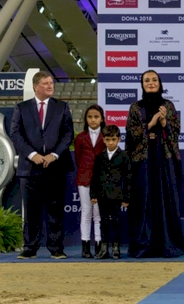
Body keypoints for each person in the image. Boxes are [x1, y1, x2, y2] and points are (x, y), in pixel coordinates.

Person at [10, 71, 74, 259]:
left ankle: (56, 249)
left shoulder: (62, 107)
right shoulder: (21, 108)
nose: (50, 86)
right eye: (45, 83)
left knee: (55, 210)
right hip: (30, 169)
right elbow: (16, 134)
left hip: (55, 167)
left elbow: (68, 134)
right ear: (36, 86)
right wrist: (33, 154)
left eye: (51, 83)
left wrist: (53, 155)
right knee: (31, 212)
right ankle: (30, 249)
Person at [125, 70, 184, 258]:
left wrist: (164, 121)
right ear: (142, 84)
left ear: (159, 83)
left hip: (164, 159)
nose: (151, 83)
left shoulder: (168, 105)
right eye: (147, 80)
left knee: (165, 199)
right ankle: (144, 245)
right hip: (142, 161)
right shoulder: (136, 107)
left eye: (154, 80)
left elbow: (176, 133)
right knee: (143, 201)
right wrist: (150, 124)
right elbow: (131, 134)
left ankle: (167, 244)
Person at [90, 125, 132, 260]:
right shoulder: (100, 156)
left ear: (119, 139)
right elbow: (95, 176)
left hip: (116, 195)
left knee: (116, 221)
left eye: (113, 139)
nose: (111, 143)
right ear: (103, 140)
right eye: (108, 140)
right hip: (102, 195)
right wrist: (93, 194)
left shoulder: (124, 157)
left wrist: (126, 198)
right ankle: (103, 248)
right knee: (103, 221)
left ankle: (116, 247)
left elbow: (128, 178)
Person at [73, 104, 106, 258]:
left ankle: (99, 244)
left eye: (96, 117)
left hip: (102, 179)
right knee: (86, 212)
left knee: (99, 213)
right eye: (90, 117)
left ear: (101, 119)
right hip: (84, 178)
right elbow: (78, 159)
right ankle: (85, 245)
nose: (93, 120)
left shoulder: (106, 136)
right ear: (86, 119)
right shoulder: (80, 137)